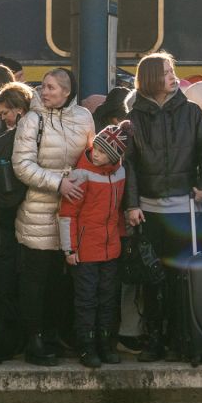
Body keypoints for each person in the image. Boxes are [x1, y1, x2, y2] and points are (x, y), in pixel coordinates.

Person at [123, 52, 202, 362]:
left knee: (182, 277)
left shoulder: (191, 112)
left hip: (184, 208)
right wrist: (132, 204)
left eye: (172, 70)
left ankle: (181, 337)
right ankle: (154, 338)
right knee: (152, 278)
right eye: (165, 72)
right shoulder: (134, 117)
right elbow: (131, 165)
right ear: (151, 78)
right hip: (149, 210)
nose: (172, 76)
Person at [13, 67, 95, 366]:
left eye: (50, 87)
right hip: (38, 211)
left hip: (72, 212)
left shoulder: (84, 117)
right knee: (36, 279)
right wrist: (59, 182)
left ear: (66, 92)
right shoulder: (32, 120)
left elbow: (91, 156)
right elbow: (21, 165)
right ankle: (34, 339)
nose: (43, 91)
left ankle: (55, 335)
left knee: (62, 281)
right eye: (43, 87)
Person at [59, 123, 130, 368]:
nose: (95, 153)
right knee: (87, 300)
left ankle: (105, 343)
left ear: (113, 157)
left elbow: (118, 211)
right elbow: (68, 214)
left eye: (102, 151)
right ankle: (87, 347)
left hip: (111, 248)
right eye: (95, 148)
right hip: (86, 249)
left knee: (107, 299)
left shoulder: (120, 173)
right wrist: (69, 249)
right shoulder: (81, 173)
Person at [0, 82, 34, 360]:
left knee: (7, 274)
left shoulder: (6, 141)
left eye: (6, 112)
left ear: (19, 110)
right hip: (34, 218)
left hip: (11, 216)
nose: (3, 118)